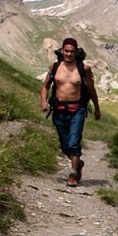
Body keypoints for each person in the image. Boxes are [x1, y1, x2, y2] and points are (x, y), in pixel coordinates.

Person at [41, 37, 100, 186]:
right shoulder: (54, 67)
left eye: (71, 51)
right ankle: (77, 163)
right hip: (58, 110)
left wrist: (97, 108)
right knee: (64, 145)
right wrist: (43, 101)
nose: (68, 54)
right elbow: (46, 86)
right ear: (62, 51)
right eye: (66, 51)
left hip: (77, 111)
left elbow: (92, 89)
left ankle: (73, 174)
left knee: (73, 143)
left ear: (76, 52)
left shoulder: (84, 69)